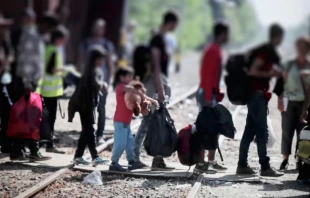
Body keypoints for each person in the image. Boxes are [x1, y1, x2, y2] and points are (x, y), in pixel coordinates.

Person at [236, 24, 285, 177]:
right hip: (257, 96)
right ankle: (265, 167)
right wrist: (272, 74)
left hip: (257, 95)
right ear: (277, 37)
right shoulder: (265, 52)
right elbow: (253, 71)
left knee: (250, 131)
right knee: (262, 132)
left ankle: (242, 165)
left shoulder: (267, 51)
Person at [133, 10, 179, 170]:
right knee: (148, 122)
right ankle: (135, 157)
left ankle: (155, 159)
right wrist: (160, 91)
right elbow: (156, 67)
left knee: (155, 121)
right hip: (155, 85)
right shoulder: (157, 40)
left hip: (157, 84)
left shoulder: (161, 39)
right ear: (171, 23)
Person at [10, 8, 49, 161]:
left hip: (29, 81)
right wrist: (28, 82)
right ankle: (24, 149)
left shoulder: (29, 35)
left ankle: (26, 149)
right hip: (27, 82)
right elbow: (26, 61)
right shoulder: (29, 35)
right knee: (27, 117)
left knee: (27, 116)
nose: (24, 21)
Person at [194, 22, 229, 173]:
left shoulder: (216, 49)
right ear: (222, 34)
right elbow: (207, 75)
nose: (228, 37)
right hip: (207, 93)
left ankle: (211, 161)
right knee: (205, 127)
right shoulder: (212, 50)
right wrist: (208, 95)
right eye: (227, 34)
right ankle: (201, 163)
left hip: (211, 92)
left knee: (214, 127)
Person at [110, 68, 158, 172]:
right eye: (129, 76)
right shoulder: (120, 87)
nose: (131, 78)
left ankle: (132, 162)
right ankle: (114, 163)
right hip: (120, 121)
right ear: (122, 77)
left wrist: (153, 101)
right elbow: (132, 90)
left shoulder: (131, 89)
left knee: (129, 143)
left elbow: (142, 95)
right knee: (120, 143)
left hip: (126, 123)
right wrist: (140, 92)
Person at [69, 45, 109, 165]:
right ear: (95, 59)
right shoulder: (92, 70)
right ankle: (95, 157)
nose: (101, 61)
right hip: (85, 105)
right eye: (100, 59)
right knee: (89, 130)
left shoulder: (90, 69)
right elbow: (96, 85)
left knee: (86, 130)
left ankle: (79, 155)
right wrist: (103, 84)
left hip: (85, 104)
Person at [78, 18, 115, 145]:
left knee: (101, 109)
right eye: (95, 27)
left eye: (100, 27)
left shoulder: (107, 45)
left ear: (103, 30)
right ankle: (88, 133)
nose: (97, 30)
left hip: (102, 82)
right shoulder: (85, 43)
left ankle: (99, 135)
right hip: (88, 82)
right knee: (88, 109)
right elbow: (81, 62)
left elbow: (110, 65)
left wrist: (109, 81)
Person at [37, 29, 66, 154]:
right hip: (50, 91)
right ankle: (45, 145)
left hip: (46, 89)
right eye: (62, 39)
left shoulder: (49, 49)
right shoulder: (53, 50)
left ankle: (47, 144)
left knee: (46, 118)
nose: (64, 42)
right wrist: (64, 70)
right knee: (49, 118)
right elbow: (51, 69)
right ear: (57, 39)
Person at [0, 13, 14, 153]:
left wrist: (6, 62)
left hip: (2, 82)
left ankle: (4, 142)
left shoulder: (5, 39)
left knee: (7, 109)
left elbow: (10, 55)